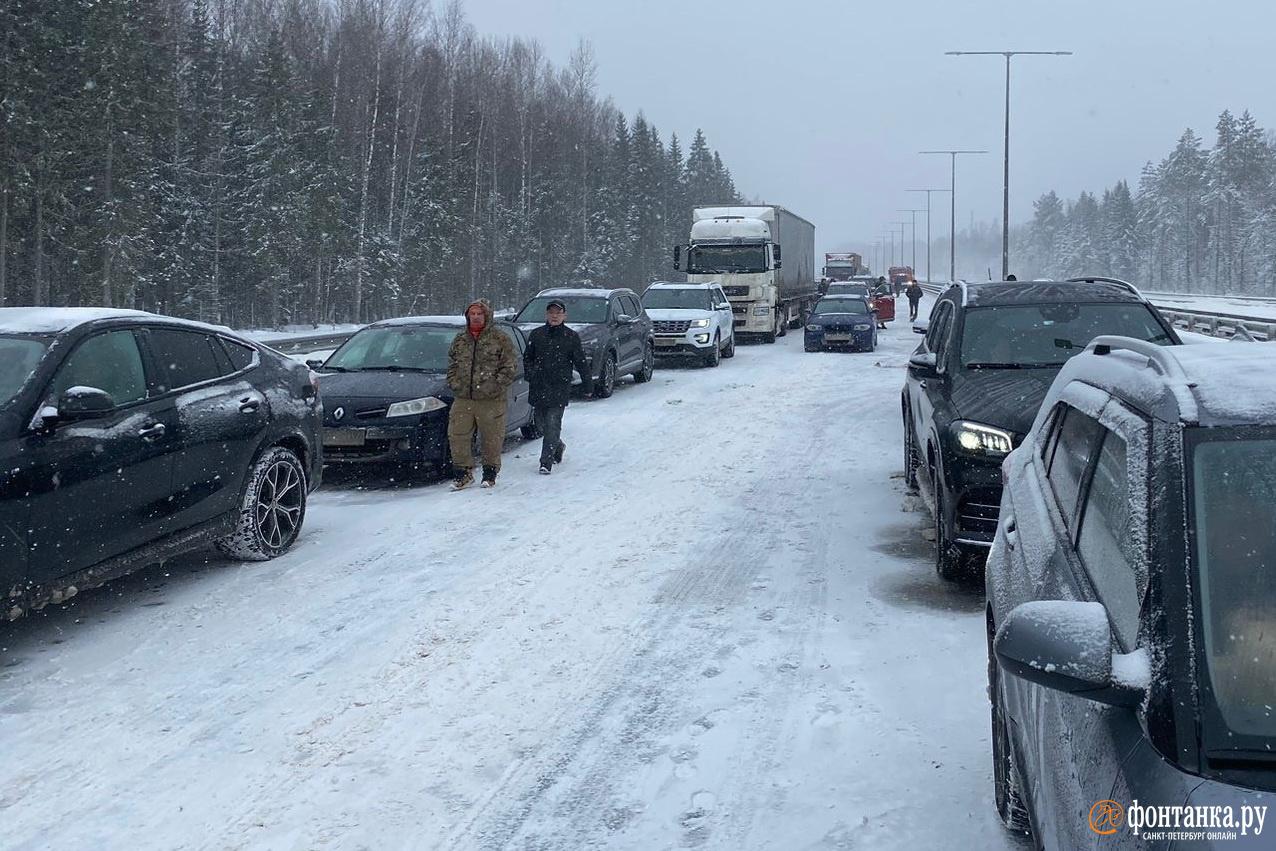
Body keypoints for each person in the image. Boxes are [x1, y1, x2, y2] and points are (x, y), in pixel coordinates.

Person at [446, 298, 518, 489]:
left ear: (487, 316)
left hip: (491, 399)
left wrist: (495, 386)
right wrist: (454, 382)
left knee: (491, 437)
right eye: (473, 314)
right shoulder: (460, 339)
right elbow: (452, 363)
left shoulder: (500, 338)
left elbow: (510, 366)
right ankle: (463, 473)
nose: (476, 317)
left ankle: (489, 473)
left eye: (479, 314)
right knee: (457, 435)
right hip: (463, 397)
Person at [524, 299, 593, 475]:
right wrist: (530, 375)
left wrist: (587, 384)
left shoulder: (570, 337)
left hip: (559, 387)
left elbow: (580, 361)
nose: (554, 316)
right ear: (547, 315)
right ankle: (558, 445)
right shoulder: (537, 335)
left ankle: (545, 462)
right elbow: (528, 358)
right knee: (541, 425)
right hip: (539, 386)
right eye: (551, 313)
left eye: (558, 313)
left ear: (564, 315)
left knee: (553, 423)